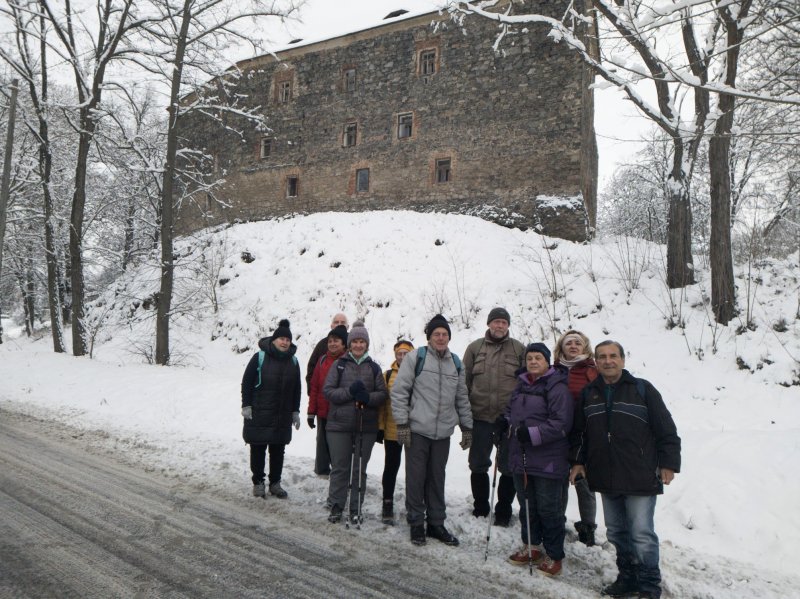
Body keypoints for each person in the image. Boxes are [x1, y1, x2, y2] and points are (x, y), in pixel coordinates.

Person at [569, 341, 681, 599]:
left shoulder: (642, 389)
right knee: (617, 532)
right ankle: (628, 578)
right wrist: (577, 461)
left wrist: (669, 463)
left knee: (641, 533)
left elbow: (666, 428)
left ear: (622, 359)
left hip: (640, 475)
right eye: (602, 357)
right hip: (606, 476)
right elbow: (579, 433)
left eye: (613, 356)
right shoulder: (589, 393)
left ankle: (650, 587)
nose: (608, 361)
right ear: (595, 362)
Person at [391, 314, 473, 547]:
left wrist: (467, 427)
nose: (441, 337)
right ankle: (416, 522)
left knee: (437, 478)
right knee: (416, 479)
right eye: (436, 334)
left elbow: (462, 398)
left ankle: (436, 523)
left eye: (444, 334)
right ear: (429, 337)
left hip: (442, 434)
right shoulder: (416, 357)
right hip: (417, 431)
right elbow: (399, 392)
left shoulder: (456, 363)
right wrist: (403, 424)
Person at [504, 342, 572, 577]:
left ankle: (555, 555)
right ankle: (532, 546)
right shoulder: (521, 384)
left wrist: (532, 434)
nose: (533, 362)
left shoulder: (557, 388)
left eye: (538, 358)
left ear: (547, 362)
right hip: (520, 456)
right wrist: (504, 421)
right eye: (530, 358)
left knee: (549, 509)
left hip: (547, 459)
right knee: (527, 505)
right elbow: (510, 410)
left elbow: (562, 424)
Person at [463, 307, 524, 526]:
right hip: (480, 417)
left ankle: (504, 511)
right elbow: (464, 382)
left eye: (504, 323)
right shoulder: (474, 348)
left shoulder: (519, 349)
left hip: (509, 422)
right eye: (496, 322)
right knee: (478, 463)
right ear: (489, 324)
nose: (499, 326)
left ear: (508, 326)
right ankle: (480, 507)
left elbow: (526, 385)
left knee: (508, 466)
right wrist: (464, 417)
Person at [323, 321, 387, 524]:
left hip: (365, 426)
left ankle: (356, 507)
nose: (359, 345)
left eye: (362, 342)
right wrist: (350, 392)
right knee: (341, 468)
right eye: (355, 341)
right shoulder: (339, 365)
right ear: (350, 344)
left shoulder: (374, 367)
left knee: (359, 468)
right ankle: (336, 505)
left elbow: (383, 394)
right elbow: (329, 391)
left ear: (367, 344)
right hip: (338, 425)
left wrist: (368, 398)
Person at [240, 319, 301, 499]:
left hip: (282, 415)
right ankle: (258, 482)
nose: (284, 342)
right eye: (281, 338)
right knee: (258, 447)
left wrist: (295, 411)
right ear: (274, 340)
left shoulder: (294, 361)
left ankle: (275, 483)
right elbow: (247, 382)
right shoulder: (259, 357)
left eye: (287, 340)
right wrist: (246, 405)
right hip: (260, 411)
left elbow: (297, 389)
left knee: (278, 450)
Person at [553, 329, 599, 546]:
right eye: (568, 343)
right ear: (561, 348)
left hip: (586, 433)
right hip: (559, 433)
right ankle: (556, 521)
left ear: (585, 347)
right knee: (559, 479)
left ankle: (588, 527)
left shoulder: (594, 370)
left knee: (584, 481)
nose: (573, 346)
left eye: (577, 343)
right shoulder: (553, 371)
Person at [377, 339, 414, 525]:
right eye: (399, 353)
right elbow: (383, 405)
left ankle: (413, 505)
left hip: (414, 430)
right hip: (392, 431)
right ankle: (387, 501)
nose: (402, 357)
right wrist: (380, 428)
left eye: (406, 353)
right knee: (391, 467)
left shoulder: (419, 374)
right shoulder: (387, 375)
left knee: (414, 470)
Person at [307, 324, 348, 478]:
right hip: (323, 411)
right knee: (322, 443)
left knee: (339, 446)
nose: (332, 344)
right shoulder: (322, 360)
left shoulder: (348, 361)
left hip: (340, 413)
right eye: (330, 341)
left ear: (344, 344)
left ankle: (339, 472)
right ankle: (322, 471)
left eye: (336, 341)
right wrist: (311, 412)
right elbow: (315, 386)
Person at [306, 312, 349, 390]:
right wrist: (311, 391)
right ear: (331, 326)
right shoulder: (322, 344)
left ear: (348, 326)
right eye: (336, 322)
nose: (339, 324)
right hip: (323, 396)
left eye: (343, 322)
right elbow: (311, 369)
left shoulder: (353, 344)